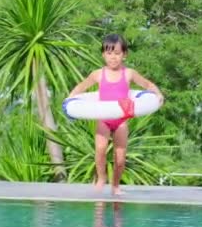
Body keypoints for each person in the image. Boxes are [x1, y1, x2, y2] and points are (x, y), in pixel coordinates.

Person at [68, 34, 163, 195]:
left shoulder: (129, 73)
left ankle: (116, 185)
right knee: (100, 149)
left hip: (121, 120)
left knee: (120, 158)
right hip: (104, 119)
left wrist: (158, 94)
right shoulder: (98, 74)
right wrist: (69, 99)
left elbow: (147, 84)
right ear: (103, 54)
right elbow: (81, 87)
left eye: (117, 53)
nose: (113, 57)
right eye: (109, 53)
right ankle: (101, 178)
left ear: (124, 54)